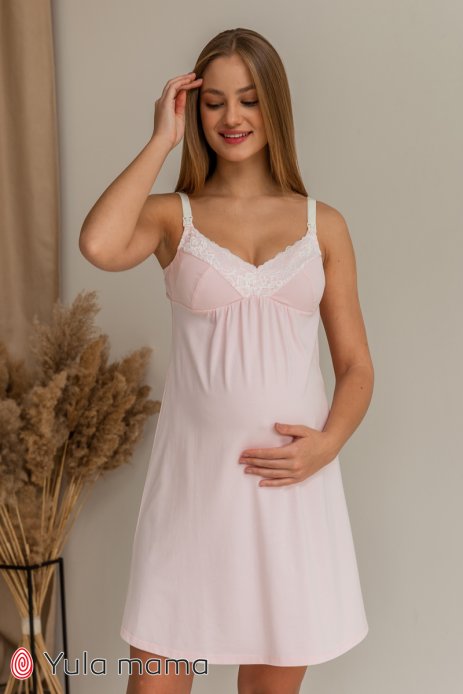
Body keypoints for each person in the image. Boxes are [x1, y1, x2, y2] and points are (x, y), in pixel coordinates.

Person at [79, 27, 374, 694]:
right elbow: (98, 245)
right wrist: (160, 139)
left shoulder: (322, 225)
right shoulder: (171, 217)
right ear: (194, 110)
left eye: (248, 99)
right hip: (193, 490)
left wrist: (328, 444)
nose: (231, 117)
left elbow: (355, 365)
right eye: (213, 102)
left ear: (275, 105)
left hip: (288, 488)